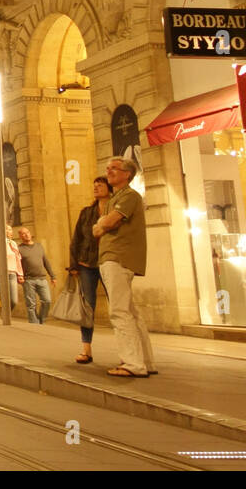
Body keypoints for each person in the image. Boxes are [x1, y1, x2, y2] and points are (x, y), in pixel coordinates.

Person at [93, 157, 157, 378]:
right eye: (108, 168)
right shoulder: (115, 198)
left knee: (119, 311)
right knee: (130, 311)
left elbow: (107, 224)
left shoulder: (129, 196)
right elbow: (98, 228)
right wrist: (102, 224)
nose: (109, 171)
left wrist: (103, 224)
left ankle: (132, 364)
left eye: (114, 169)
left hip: (118, 257)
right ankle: (145, 362)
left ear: (127, 174)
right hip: (113, 257)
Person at [68, 176, 111, 363]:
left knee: (118, 305)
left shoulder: (116, 210)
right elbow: (76, 239)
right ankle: (86, 349)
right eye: (94, 185)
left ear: (109, 188)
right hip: (87, 264)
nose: (96, 188)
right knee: (87, 307)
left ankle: (127, 351)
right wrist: (74, 265)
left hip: (111, 262)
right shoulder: (86, 213)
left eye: (100, 185)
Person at [15, 227, 56, 324]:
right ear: (20, 236)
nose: (26, 235)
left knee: (47, 301)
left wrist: (52, 276)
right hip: (28, 280)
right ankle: (34, 324)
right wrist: (19, 276)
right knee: (31, 304)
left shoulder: (39, 246)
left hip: (42, 278)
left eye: (27, 232)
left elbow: (46, 262)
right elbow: (17, 264)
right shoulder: (19, 249)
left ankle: (41, 319)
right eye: (23, 234)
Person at [0, 225, 24, 310]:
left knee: (13, 300)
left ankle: (4, 314)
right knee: (4, 298)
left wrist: (20, 274)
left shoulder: (13, 243)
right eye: (8, 229)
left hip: (12, 273)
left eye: (11, 230)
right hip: (0, 272)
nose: (11, 231)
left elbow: (17, 260)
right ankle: (5, 317)